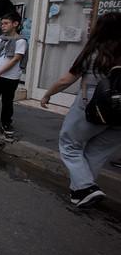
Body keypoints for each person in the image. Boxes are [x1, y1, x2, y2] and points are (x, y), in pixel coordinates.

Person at [41, 12, 121, 208]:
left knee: (69, 145)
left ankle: (86, 188)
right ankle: (81, 192)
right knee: (97, 152)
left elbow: (66, 80)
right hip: (119, 115)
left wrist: (47, 94)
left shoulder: (94, 54)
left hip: (94, 107)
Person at [0, 12, 26, 136]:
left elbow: (15, 59)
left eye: (6, 23)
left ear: (15, 24)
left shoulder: (20, 41)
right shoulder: (0, 39)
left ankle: (6, 123)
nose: (3, 26)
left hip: (10, 77)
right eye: (2, 23)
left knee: (7, 102)